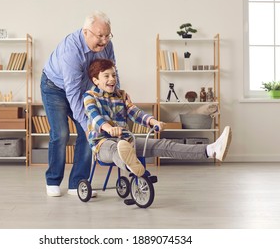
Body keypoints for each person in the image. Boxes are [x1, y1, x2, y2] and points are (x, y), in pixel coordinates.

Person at [83, 58, 232, 176]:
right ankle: (133, 166)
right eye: (106, 76)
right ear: (95, 80)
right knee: (116, 148)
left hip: (126, 140)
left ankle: (210, 150)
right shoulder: (89, 96)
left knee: (163, 144)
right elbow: (95, 116)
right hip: (102, 144)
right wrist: (109, 129)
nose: (112, 79)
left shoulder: (121, 95)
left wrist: (154, 121)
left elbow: (135, 112)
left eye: (114, 75)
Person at [41, 11, 118, 197]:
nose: (105, 40)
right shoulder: (71, 50)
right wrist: (86, 125)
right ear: (86, 32)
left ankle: (77, 184)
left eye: (108, 35)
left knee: (90, 132)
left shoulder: (107, 46)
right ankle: (52, 180)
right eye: (100, 36)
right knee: (61, 133)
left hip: (83, 89)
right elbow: (72, 93)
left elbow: (112, 74)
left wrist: (117, 98)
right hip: (55, 88)